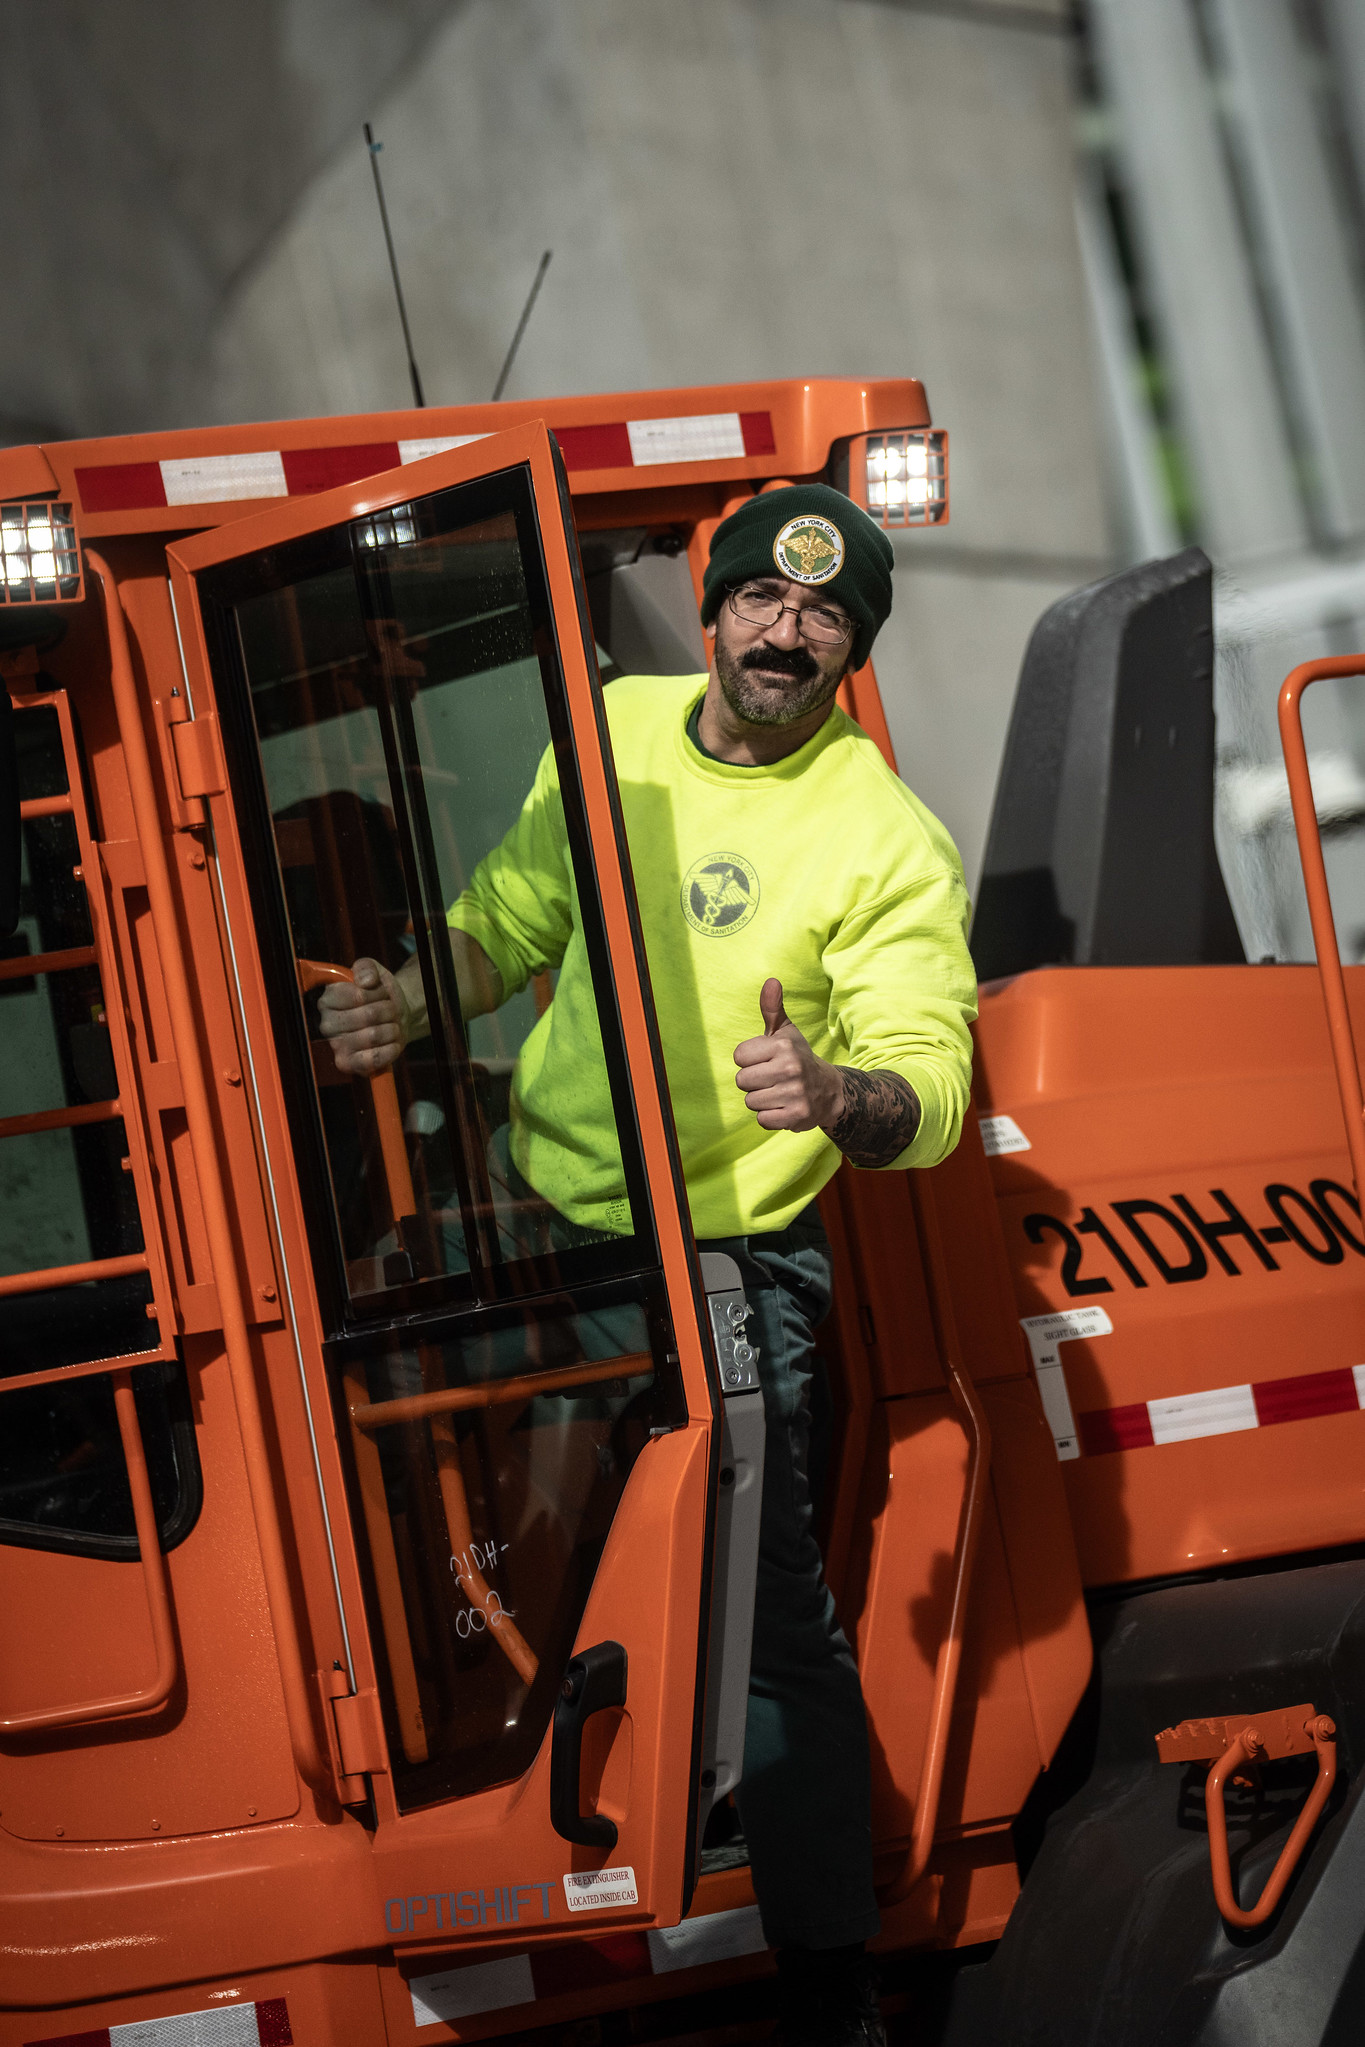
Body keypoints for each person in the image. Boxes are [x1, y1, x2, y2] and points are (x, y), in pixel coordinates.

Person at [320, 483, 977, 2047]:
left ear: (849, 645)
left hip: (725, 1267)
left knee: (761, 1621)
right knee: (382, 1487)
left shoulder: (879, 831)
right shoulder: (606, 733)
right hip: (542, 1230)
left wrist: (834, 1096)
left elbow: (931, 1082)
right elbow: (510, 918)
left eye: (823, 614)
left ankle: (831, 1990)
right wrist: (408, 1002)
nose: (786, 631)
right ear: (714, 611)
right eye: (762, 599)